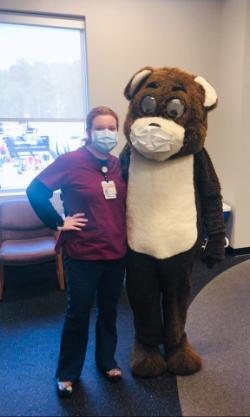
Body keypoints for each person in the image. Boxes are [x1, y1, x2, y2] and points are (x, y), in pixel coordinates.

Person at [26, 106, 127, 398]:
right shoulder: (71, 162)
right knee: (78, 314)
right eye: (100, 128)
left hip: (115, 252)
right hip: (83, 254)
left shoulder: (118, 164)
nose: (107, 133)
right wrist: (59, 222)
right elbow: (35, 191)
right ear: (88, 131)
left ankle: (107, 361)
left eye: (112, 128)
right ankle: (68, 372)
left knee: (109, 312)